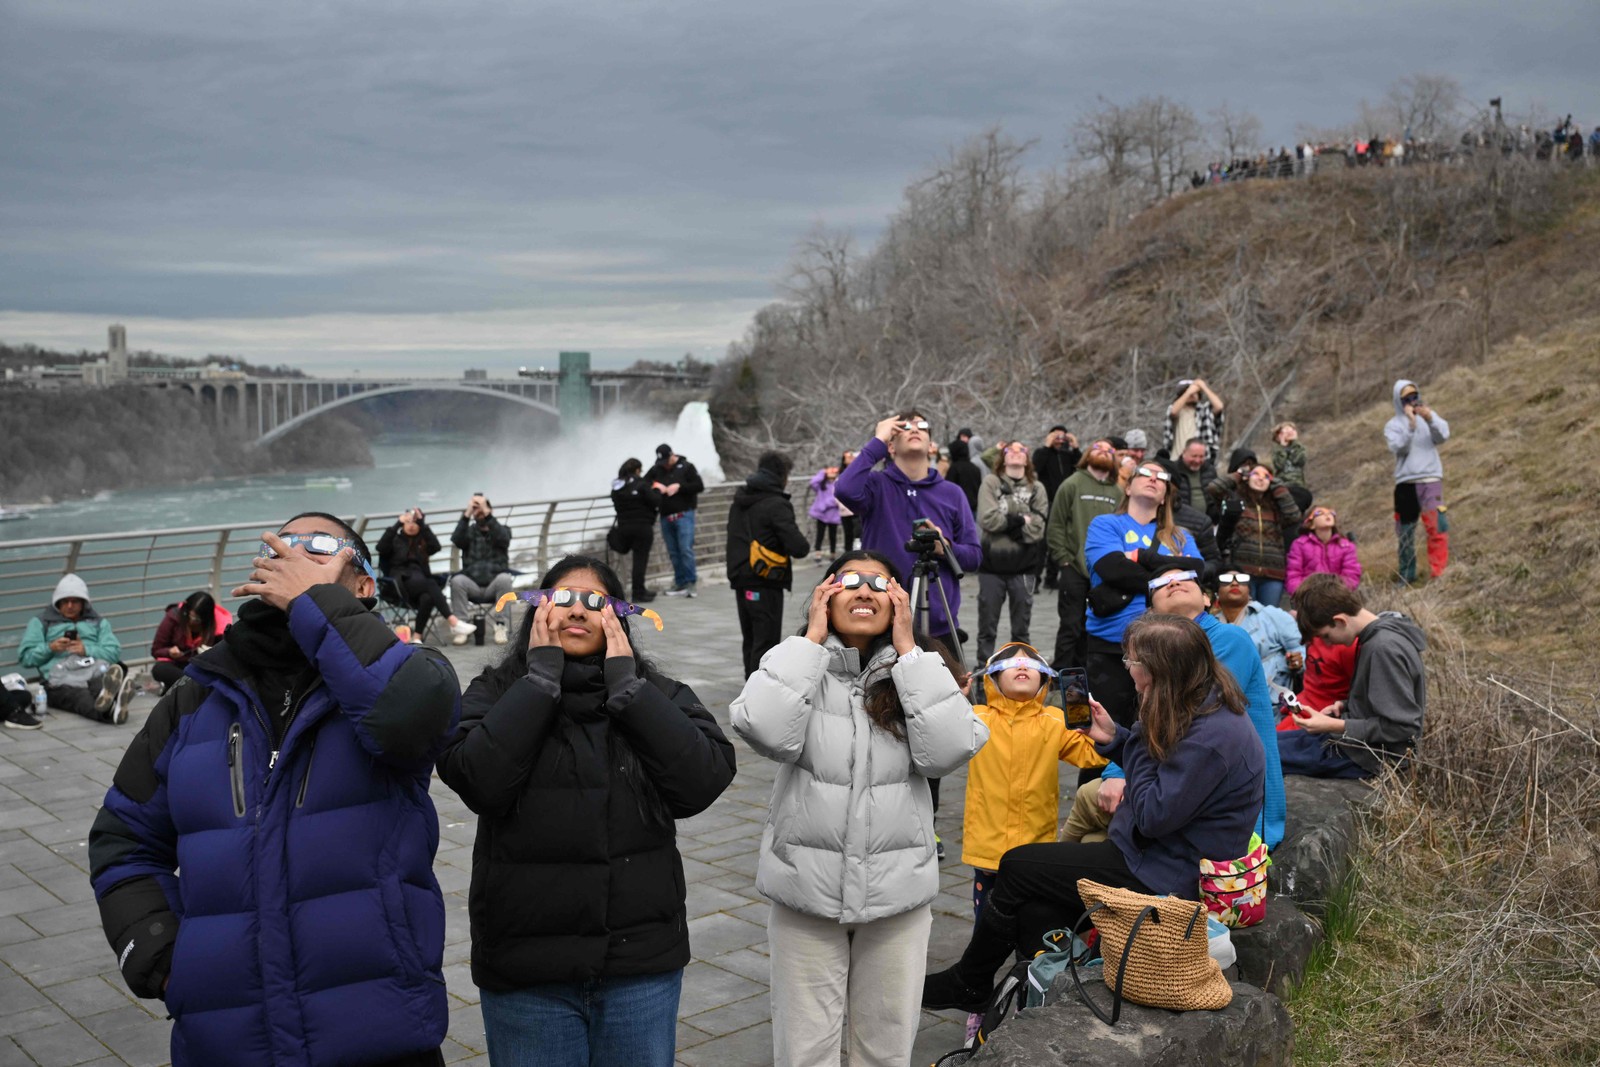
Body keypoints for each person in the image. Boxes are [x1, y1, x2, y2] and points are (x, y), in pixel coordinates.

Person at [89, 512, 461, 1066]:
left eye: (319, 546)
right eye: (283, 544)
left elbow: (408, 716)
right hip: (227, 1042)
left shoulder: (407, 673)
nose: (295, 553)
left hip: (378, 1030)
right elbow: (122, 839)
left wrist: (314, 603)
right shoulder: (197, 697)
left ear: (364, 585)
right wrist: (163, 954)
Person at [437, 555, 735, 1066]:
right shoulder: (495, 691)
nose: (577, 611)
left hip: (639, 966)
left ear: (617, 618)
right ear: (537, 614)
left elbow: (702, 780)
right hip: (527, 971)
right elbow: (478, 781)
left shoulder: (656, 692)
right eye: (561, 599)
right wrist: (539, 682)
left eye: (594, 602)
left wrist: (629, 691)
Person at [922, 613, 1265, 1012]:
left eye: (1132, 661)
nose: (1128, 669)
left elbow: (1153, 815)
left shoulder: (1211, 735)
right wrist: (1117, 738)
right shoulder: (1198, 702)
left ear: (1158, 669)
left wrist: (1131, 744)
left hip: (1165, 870)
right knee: (1035, 906)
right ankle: (1036, 1002)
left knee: (1016, 865)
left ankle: (970, 982)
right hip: (1151, 854)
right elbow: (1161, 783)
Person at [731, 552, 988, 1067]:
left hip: (897, 896)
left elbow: (946, 751)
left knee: (886, 1049)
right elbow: (763, 727)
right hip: (806, 892)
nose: (865, 591)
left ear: (898, 600)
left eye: (880, 583)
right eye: (849, 582)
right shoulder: (798, 663)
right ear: (825, 595)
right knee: (804, 1051)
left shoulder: (919, 669)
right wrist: (809, 640)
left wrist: (910, 652)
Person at [1066, 566, 1286, 851]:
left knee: (1086, 797)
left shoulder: (1228, 638)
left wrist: (1117, 773)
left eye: (1185, 578)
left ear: (1207, 599)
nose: (1174, 582)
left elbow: (1183, 717)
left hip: (1227, 808)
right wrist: (1113, 743)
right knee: (1091, 839)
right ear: (1151, 611)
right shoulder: (1157, 652)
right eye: (1161, 582)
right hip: (1180, 782)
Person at [834, 411, 982, 645]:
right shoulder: (876, 485)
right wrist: (877, 442)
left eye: (922, 426)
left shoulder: (952, 493)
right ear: (890, 447)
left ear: (931, 445)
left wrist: (943, 547)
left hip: (939, 624)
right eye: (904, 428)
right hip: (883, 620)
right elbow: (844, 490)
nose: (914, 429)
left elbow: (974, 557)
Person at [1082, 463, 1199, 727]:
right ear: (1128, 486)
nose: (1154, 479)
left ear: (1166, 493)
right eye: (1145, 473)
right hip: (1111, 646)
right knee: (1105, 733)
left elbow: (1197, 570)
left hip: (1167, 647)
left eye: (1162, 477)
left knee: (1161, 731)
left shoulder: (1179, 535)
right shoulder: (1105, 524)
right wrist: (1168, 569)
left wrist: (1139, 557)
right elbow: (1112, 569)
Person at [1278, 574, 1426, 778]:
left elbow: (1402, 727)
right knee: (1267, 742)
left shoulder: (1383, 648)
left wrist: (1335, 725)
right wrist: (1346, 705)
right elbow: (1388, 699)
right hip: (1354, 742)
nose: (1328, 644)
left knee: (1260, 754)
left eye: (1326, 636)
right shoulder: (1378, 635)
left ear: (1339, 621)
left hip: (1370, 757)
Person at [726, 452, 813, 678]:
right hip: (765, 579)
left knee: (751, 637)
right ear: (782, 474)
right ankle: (759, 688)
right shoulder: (776, 504)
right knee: (766, 639)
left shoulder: (740, 499)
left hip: (741, 577)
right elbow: (799, 547)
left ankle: (750, 681)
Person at [1045, 439, 1124, 671]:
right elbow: (1056, 525)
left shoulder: (1117, 492)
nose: (1103, 452)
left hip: (1104, 574)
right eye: (1098, 448)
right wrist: (1064, 559)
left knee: (1093, 627)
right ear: (1088, 453)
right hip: (1074, 568)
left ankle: (1084, 681)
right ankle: (1060, 679)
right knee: (1070, 627)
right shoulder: (1072, 484)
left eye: (1109, 450)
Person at [973, 443, 1049, 665]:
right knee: (987, 626)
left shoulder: (1037, 488)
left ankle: (1021, 667)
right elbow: (987, 519)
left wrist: (1006, 525)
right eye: (1010, 450)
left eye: (1021, 450)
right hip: (991, 567)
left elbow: (1038, 529)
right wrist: (1021, 520)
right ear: (1002, 458)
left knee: (1021, 629)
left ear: (1027, 459)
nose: (1016, 452)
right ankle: (983, 669)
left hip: (1024, 568)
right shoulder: (991, 482)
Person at [17, 573, 126, 723]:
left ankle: (111, 702)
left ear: (83, 603)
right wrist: (50, 648)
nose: (69, 606)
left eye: (74, 601)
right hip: (59, 681)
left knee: (104, 681)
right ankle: (110, 711)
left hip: (93, 670)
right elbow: (25, 657)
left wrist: (86, 649)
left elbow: (114, 652)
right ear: (57, 603)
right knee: (79, 697)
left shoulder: (98, 622)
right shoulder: (41, 622)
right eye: (65, 601)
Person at [1206, 459, 1302, 607]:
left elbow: (1294, 515)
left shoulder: (1276, 507)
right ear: (1247, 477)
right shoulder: (1235, 500)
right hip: (1243, 570)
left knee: (1269, 618)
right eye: (1256, 474)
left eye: (1266, 476)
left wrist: (1278, 486)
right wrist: (1239, 474)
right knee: (1245, 615)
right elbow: (1214, 488)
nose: (1261, 478)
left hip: (1273, 573)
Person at [1385, 379, 1450, 584]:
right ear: (1399, 401)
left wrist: (1429, 418)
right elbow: (1399, 448)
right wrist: (1411, 426)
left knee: (1436, 527)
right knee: (1405, 532)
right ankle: (1407, 574)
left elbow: (1443, 436)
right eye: (1406, 398)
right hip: (1405, 483)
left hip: (1430, 479)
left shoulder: (1430, 416)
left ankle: (1439, 572)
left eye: (1415, 396)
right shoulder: (1393, 425)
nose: (1412, 401)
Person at [379, 508, 475, 643]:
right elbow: (381, 548)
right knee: (430, 584)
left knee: (428, 597)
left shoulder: (423, 542)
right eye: (408, 522)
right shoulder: (395, 540)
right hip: (399, 584)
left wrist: (423, 524)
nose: (412, 525)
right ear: (403, 524)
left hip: (420, 584)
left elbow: (436, 547)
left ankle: (417, 637)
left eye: (415, 523)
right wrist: (397, 524)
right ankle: (453, 622)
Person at [1213, 571, 1305, 691]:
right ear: (1217, 594)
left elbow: (1299, 648)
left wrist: (1297, 662)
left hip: (1274, 701)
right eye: (1226, 580)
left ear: (1250, 592)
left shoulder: (1273, 615)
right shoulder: (1211, 625)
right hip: (1225, 700)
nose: (1235, 583)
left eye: (1241, 580)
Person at [450, 493, 516, 644]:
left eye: (482, 510)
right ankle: (462, 627)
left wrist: (486, 512)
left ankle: (501, 626)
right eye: (476, 510)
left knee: (505, 578)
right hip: (472, 585)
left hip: (494, 586)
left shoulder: (502, 530)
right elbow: (456, 539)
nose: (479, 512)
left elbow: (504, 540)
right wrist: (467, 513)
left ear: (489, 510)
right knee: (457, 580)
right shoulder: (469, 533)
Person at [645, 443, 706, 597]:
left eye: (666, 461)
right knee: (673, 551)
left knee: (685, 549)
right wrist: (656, 485)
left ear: (672, 456)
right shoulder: (656, 469)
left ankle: (691, 582)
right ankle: (679, 582)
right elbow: (644, 483)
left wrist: (679, 487)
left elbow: (699, 486)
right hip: (665, 516)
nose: (664, 465)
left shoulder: (687, 467)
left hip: (684, 514)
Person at [149, 592, 234, 694]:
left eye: (197, 619)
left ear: (206, 619)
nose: (191, 621)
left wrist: (211, 653)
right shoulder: (174, 616)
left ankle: (186, 686)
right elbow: (156, 650)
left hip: (202, 666)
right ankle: (195, 686)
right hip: (177, 664)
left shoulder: (219, 626)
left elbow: (226, 656)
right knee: (159, 669)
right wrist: (169, 652)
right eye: (189, 615)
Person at [609, 458, 663, 602]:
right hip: (642, 527)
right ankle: (638, 592)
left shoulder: (617, 485)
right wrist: (657, 489)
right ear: (637, 470)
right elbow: (655, 500)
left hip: (624, 527)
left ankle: (637, 590)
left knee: (630, 560)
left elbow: (615, 501)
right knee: (640, 560)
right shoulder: (642, 484)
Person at [1034, 426, 1080, 590]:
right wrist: (1047, 445)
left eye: (1063, 437)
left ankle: (1051, 578)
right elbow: (1036, 467)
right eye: (1056, 436)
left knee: (1060, 540)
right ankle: (1036, 580)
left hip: (1066, 503)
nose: (1060, 440)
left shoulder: (1069, 455)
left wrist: (1075, 447)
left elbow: (1081, 467)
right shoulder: (1042, 453)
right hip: (1047, 501)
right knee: (1042, 543)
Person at [1286, 505, 1362, 595]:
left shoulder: (1346, 546)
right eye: (1320, 513)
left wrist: (1336, 592)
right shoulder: (1299, 544)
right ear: (1311, 525)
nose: (1327, 515)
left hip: (1339, 596)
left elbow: (1351, 575)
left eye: (1331, 513)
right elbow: (1293, 575)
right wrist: (1303, 594)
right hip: (1308, 598)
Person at [1162, 378, 1226, 466]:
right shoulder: (1175, 409)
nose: (1192, 395)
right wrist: (1189, 391)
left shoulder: (1204, 411)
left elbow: (1219, 407)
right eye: (1189, 392)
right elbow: (1173, 411)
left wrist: (1203, 387)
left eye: (1195, 393)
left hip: (1199, 462)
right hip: (1176, 460)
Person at [807, 462, 843, 563]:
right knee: (820, 534)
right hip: (822, 515)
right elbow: (813, 482)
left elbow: (837, 498)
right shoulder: (821, 485)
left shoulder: (838, 484)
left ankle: (833, 553)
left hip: (833, 514)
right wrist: (823, 472)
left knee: (833, 535)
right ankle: (818, 553)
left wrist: (826, 504)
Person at [1171, 437, 1216, 515]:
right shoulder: (1173, 470)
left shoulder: (1210, 470)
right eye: (1194, 456)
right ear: (1184, 453)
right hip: (1181, 521)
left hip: (1208, 521)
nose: (1197, 460)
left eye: (1201, 456)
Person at [943, 439, 985, 515]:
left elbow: (948, 489)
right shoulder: (975, 468)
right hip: (974, 509)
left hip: (958, 509)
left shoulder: (954, 468)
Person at [837, 450, 861, 551]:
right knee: (848, 534)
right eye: (847, 456)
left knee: (859, 532)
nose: (850, 458)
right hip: (845, 509)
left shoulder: (859, 471)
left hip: (858, 507)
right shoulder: (841, 475)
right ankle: (848, 554)